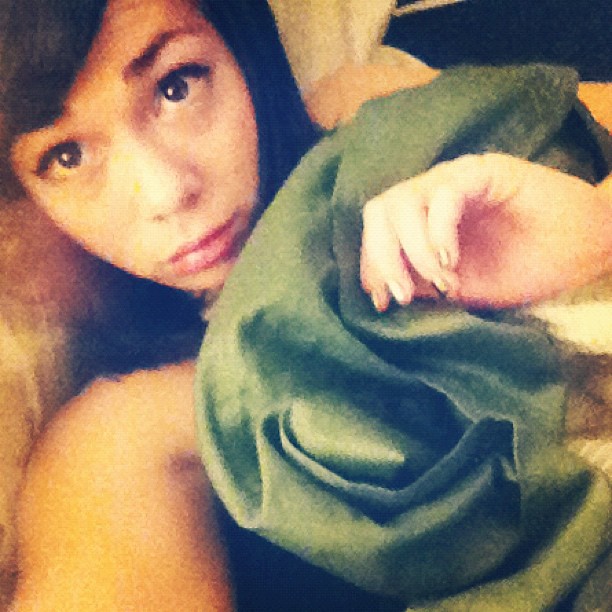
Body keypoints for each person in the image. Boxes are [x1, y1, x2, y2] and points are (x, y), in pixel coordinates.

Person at [0, 0, 610, 609]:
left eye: (176, 85)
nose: (166, 192)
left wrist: (597, 230)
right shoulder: (120, 440)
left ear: (241, 45)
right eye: (67, 157)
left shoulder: (379, 119)